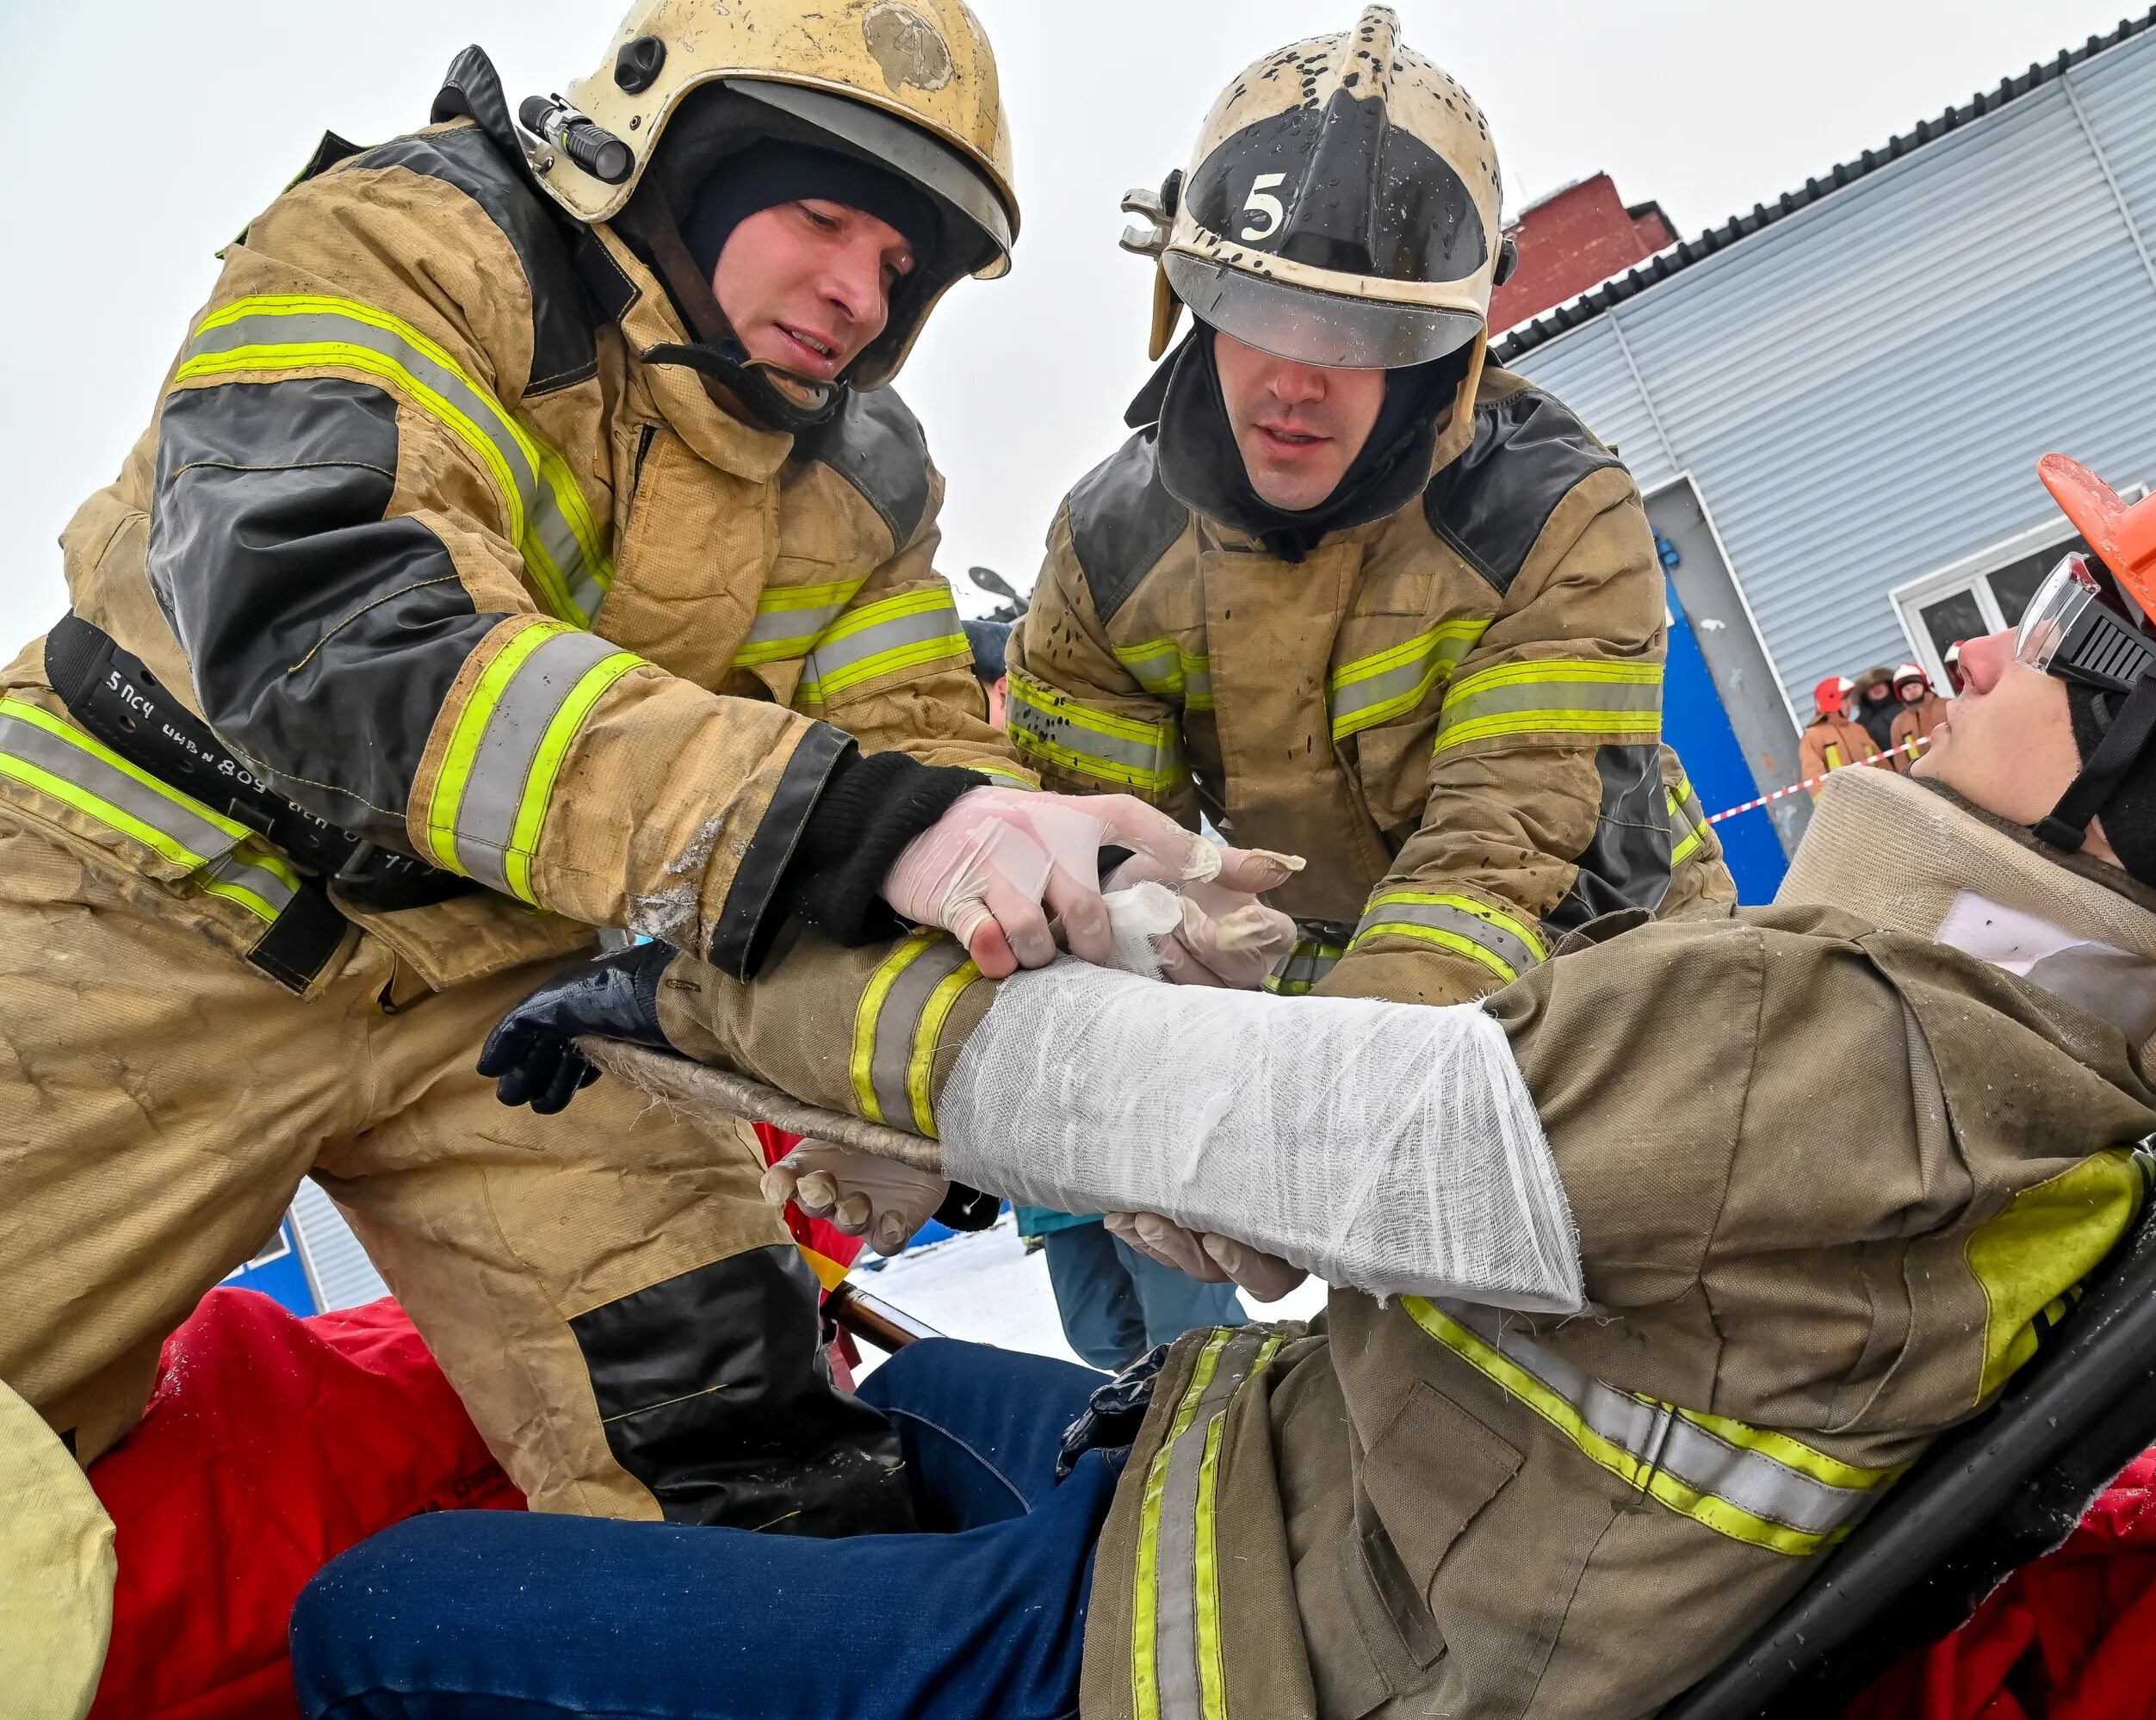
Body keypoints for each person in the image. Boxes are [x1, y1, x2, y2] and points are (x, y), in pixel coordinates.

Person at [299, 430, 2156, 1711]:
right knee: (815, 1427)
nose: (1989, 633)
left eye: (2083, 628)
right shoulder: (1994, 1062)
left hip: (1209, 1655)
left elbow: (1190, 1126)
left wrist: (686, 1003)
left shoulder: (1849, 1055)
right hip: (1289, 1501)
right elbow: (1491, 1153)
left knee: (383, 1618)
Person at [0, 0, 1264, 1534]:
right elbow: (326, 631)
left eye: (904, 267)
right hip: (120, 897)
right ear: (672, 148)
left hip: (503, 997)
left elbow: (921, 760)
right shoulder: (408, 243)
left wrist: (1091, 1019)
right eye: (823, 216)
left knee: (753, 1459)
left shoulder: (860, 477)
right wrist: (880, 828)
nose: (861, 293)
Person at [1002, 7, 1732, 1010]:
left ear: (1449, 347)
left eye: (1360, 332)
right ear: (1189, 300)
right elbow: (1098, 856)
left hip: (1622, 969)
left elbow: (1494, 863)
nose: (1297, 381)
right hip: (1338, 979)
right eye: (1259, 312)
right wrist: (1153, 942)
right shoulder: (1107, 556)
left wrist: (1319, 1105)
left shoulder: (1551, 521)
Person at [982, 614, 1255, 1365]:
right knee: (1101, 1334)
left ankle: (1229, 1456)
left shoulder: (1090, 782)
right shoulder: (957, 810)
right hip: (1043, 1148)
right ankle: (1147, 1449)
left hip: (1142, 1115)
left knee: (1194, 1337)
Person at [1800, 672, 1886, 791]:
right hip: (1843, 805)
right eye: (1845, 699)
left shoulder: (1857, 729)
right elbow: (1815, 781)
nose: (1849, 704)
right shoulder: (1813, 737)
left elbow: (1881, 763)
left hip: (1876, 797)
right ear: (1830, 700)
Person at [1886, 660, 1949, 761]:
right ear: (1900, 693)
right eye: (1906, 689)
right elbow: (1900, 759)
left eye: (1915, 686)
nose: (1912, 691)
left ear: (1924, 686)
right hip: (1921, 774)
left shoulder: (1946, 705)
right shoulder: (1899, 723)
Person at [1850, 663, 1905, 747]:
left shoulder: (1908, 706)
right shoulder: (1861, 726)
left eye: (1879, 684)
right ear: (1865, 695)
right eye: (1871, 687)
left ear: (1888, 685)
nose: (1876, 688)